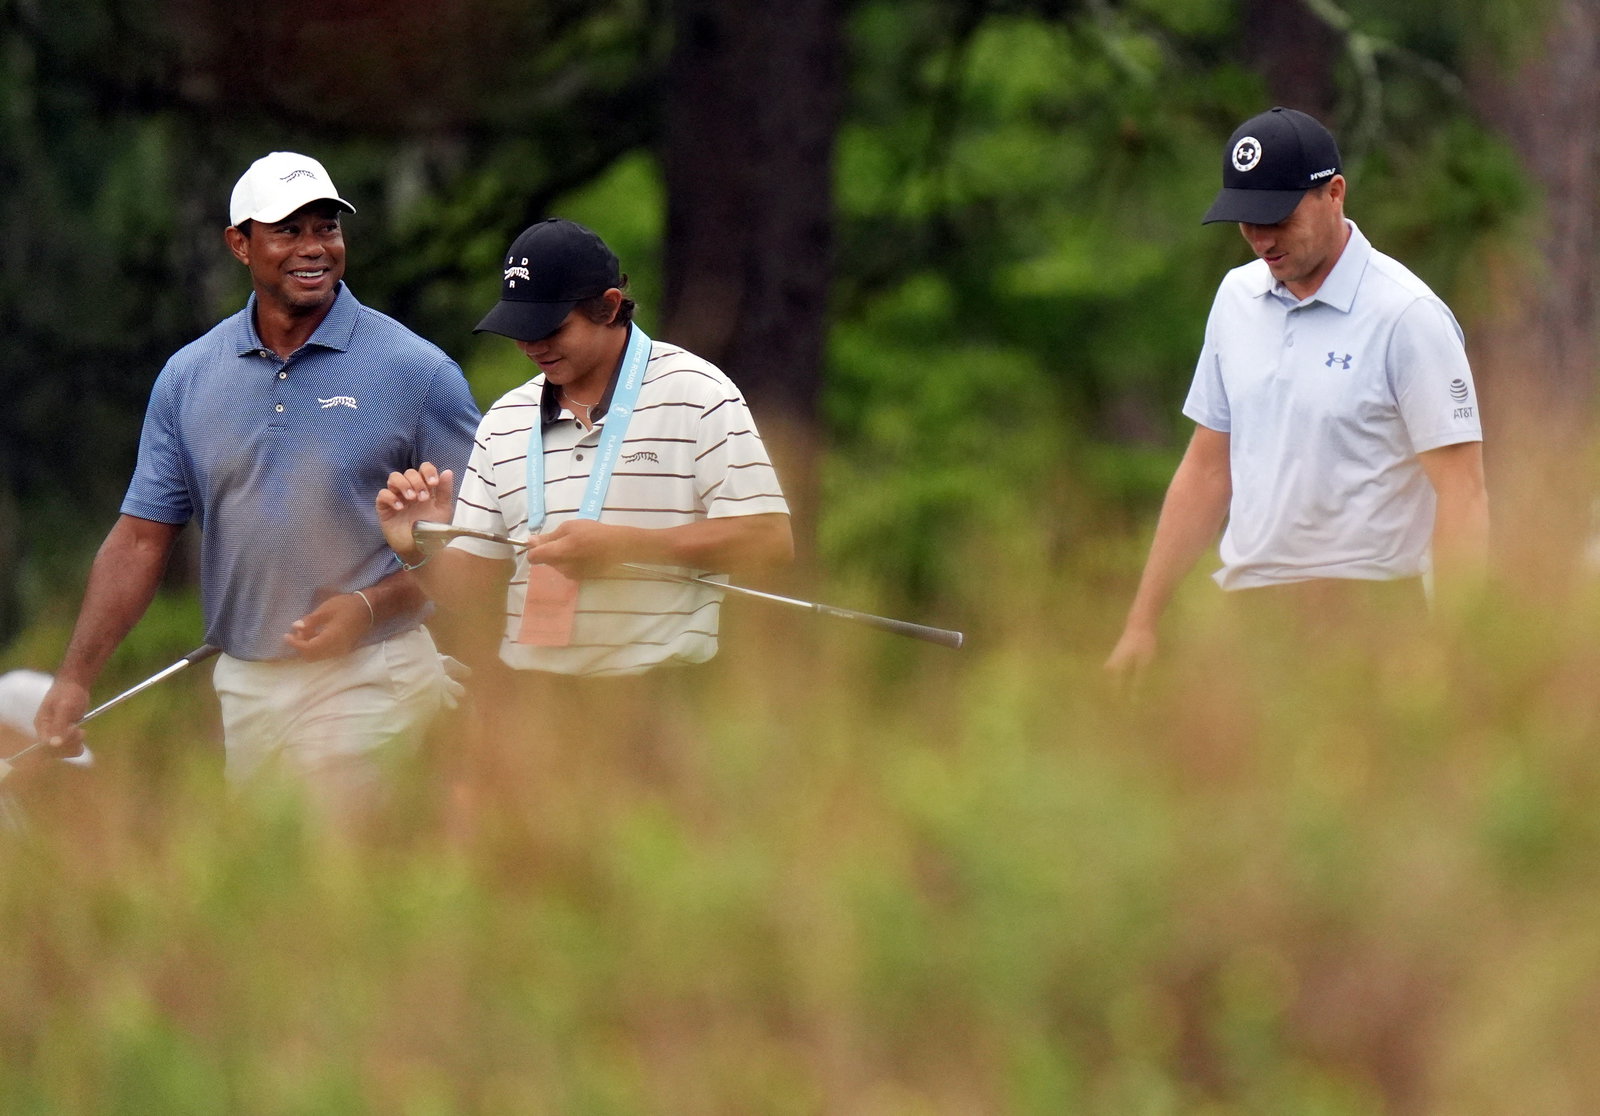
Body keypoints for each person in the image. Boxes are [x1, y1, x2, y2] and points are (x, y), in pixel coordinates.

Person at [33, 152, 481, 805]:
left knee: (336, 882)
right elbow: (139, 540)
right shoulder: (188, 377)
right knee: (272, 892)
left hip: (370, 675)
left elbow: (482, 540)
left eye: (326, 227)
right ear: (239, 244)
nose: (314, 248)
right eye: (288, 230)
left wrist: (369, 606)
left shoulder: (417, 372)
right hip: (243, 686)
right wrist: (75, 677)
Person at [374, 219, 792, 790]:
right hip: (535, 709)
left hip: (663, 706)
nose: (531, 344)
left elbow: (769, 539)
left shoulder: (699, 393)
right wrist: (415, 544)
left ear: (609, 306)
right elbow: (467, 593)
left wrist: (625, 548)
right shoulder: (504, 421)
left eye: (549, 326)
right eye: (518, 329)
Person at [1105, 107, 1489, 675]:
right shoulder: (1236, 298)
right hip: (1250, 617)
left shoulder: (1406, 315)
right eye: (1246, 219)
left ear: (1334, 194)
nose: (1261, 238)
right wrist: (1142, 622)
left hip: (1370, 614)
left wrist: (1455, 647)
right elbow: (1207, 471)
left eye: (1278, 216)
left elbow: (1463, 492)